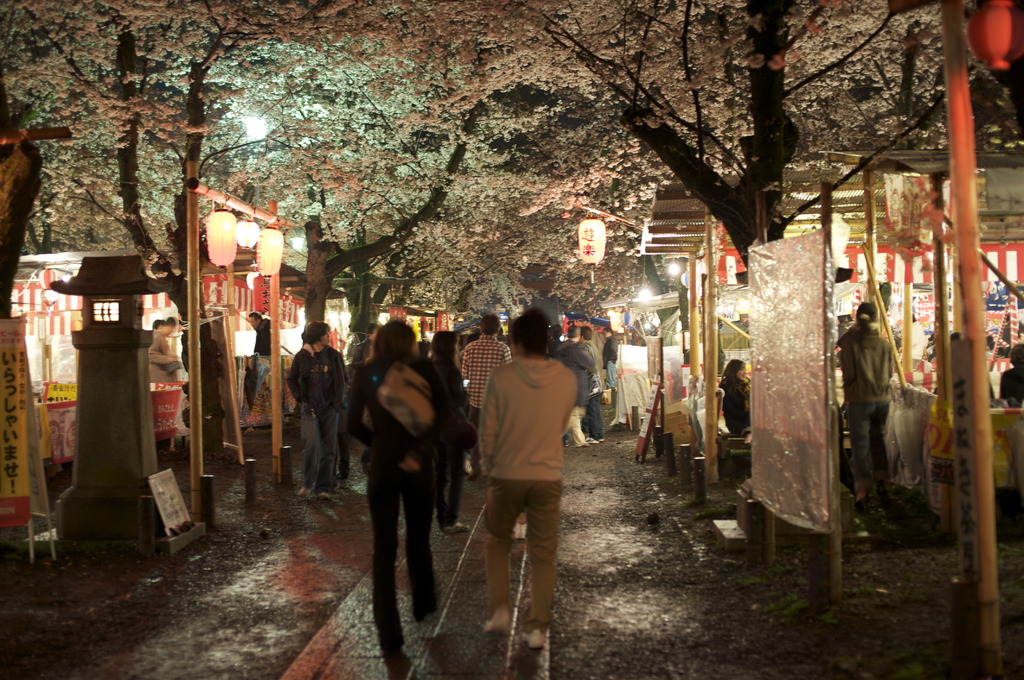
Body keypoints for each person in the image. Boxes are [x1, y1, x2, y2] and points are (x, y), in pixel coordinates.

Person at [346, 321, 450, 658]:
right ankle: (423, 603)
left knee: (384, 550)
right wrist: (421, 450)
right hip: (419, 466)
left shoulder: (366, 371)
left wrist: (377, 445)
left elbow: (352, 423)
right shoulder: (424, 368)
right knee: (419, 541)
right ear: (410, 342)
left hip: (383, 467)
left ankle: (388, 632)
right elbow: (444, 414)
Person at [479, 308, 576, 651]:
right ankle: (537, 627)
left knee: (497, 543)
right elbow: (561, 425)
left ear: (516, 341)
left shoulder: (502, 377)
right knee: (544, 551)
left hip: (506, 471)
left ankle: (500, 612)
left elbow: (487, 429)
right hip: (546, 473)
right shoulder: (565, 379)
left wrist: (488, 466)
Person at [837, 302, 894, 512]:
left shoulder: (851, 344)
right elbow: (889, 373)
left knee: (860, 447)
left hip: (860, 400)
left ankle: (862, 489)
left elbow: (848, 374)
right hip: (883, 399)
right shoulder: (885, 344)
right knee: (879, 441)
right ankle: (882, 482)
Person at [286, 321, 346, 501]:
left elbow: (345, 378)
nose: (329, 337)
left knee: (329, 449)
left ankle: (323, 488)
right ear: (319, 336)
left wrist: (337, 401)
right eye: (327, 334)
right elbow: (291, 379)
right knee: (311, 445)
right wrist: (301, 398)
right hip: (309, 408)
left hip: (330, 409)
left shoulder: (335, 356)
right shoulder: (302, 356)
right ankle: (307, 484)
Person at [460, 313, 511, 480]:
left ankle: (476, 465)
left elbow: (465, 376)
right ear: (498, 330)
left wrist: (468, 391)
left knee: (475, 435)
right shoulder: (503, 349)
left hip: (475, 399)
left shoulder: (470, 348)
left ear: (481, 328)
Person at [432, 331, 470, 533]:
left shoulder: (429, 367)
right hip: (452, 427)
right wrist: (465, 391)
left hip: (434, 426)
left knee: (440, 473)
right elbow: (460, 401)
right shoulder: (452, 371)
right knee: (456, 474)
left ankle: (440, 515)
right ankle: (451, 519)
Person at [556, 325, 595, 448]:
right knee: (574, 414)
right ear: (578, 335)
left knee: (575, 413)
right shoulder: (576, 349)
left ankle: (578, 440)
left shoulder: (560, 347)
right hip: (576, 384)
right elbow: (588, 362)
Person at [579, 326, 603, 444]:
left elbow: (586, 366)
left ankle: (594, 436)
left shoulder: (585, 347)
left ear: (581, 336)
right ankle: (599, 434)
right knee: (596, 409)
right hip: (597, 381)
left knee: (592, 410)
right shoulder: (593, 346)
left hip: (590, 382)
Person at [244, 313, 273, 409]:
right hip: (267, 361)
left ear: (258, 320)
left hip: (264, 362)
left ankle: (260, 408)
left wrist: (255, 356)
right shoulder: (265, 328)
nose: (252, 324)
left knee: (261, 386)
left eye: (252, 321)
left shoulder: (263, 330)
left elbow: (261, 348)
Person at [719, 359, 751, 436]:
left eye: (745, 369)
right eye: (742, 369)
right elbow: (730, 411)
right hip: (735, 423)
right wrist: (749, 414)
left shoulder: (746, 386)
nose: (745, 372)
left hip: (748, 421)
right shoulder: (726, 386)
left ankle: (749, 433)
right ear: (734, 370)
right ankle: (748, 434)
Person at [601, 326, 618, 393]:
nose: (604, 335)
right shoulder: (609, 340)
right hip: (610, 361)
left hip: (610, 361)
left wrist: (611, 359)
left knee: (611, 379)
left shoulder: (612, 340)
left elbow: (614, 350)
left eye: (604, 333)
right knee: (610, 379)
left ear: (609, 332)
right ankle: (610, 395)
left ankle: (612, 395)